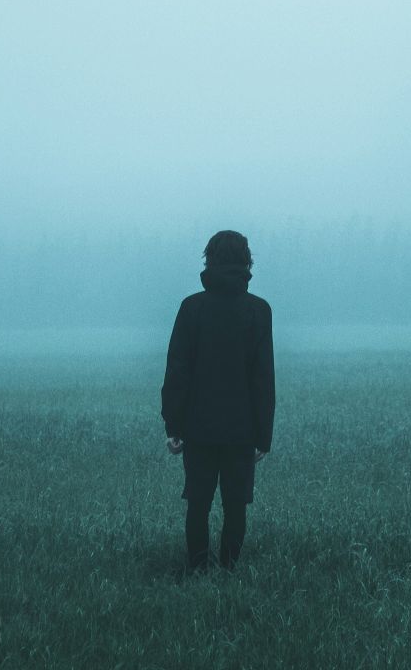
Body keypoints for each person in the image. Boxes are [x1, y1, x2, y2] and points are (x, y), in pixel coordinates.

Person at [160, 229, 275, 574]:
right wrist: (263, 436)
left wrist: (173, 425)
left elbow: (177, 370)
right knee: (236, 505)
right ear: (246, 261)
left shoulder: (191, 308)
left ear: (209, 259)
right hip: (242, 429)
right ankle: (229, 570)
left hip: (197, 426)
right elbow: (263, 379)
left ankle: (197, 569)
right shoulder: (259, 311)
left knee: (197, 502)